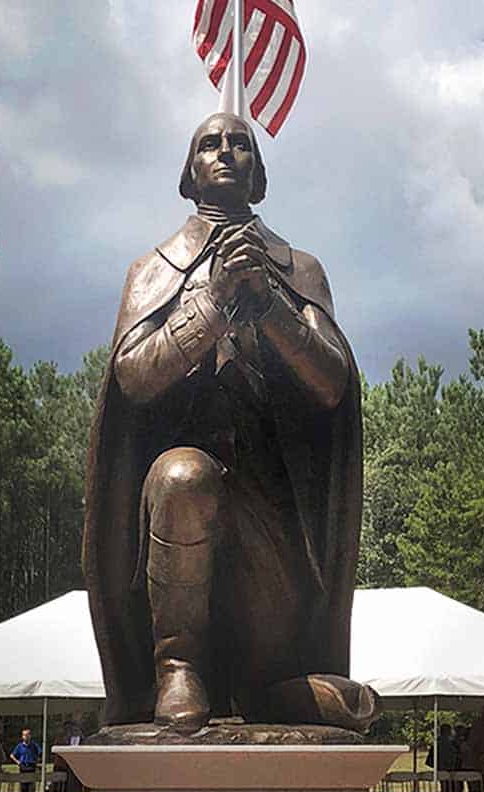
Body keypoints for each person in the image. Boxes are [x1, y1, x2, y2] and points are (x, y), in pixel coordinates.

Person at [83, 112, 376, 735]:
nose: (225, 152)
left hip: (273, 523)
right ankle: (179, 666)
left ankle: (277, 689)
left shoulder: (299, 269)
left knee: (278, 670)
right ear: (189, 174)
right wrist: (213, 303)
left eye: (240, 144)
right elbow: (132, 376)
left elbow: (331, 383)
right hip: (180, 517)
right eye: (209, 144)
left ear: (258, 172)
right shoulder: (153, 268)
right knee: (182, 475)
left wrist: (269, 304)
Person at [10, 728, 41, 792]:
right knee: (23, 785)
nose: (26, 737)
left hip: (31, 767)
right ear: (22, 736)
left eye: (27, 735)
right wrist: (18, 762)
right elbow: (12, 755)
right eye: (24, 735)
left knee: (31, 785)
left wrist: (37, 761)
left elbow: (40, 753)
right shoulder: (20, 746)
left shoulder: (34, 745)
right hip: (23, 766)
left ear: (30, 736)